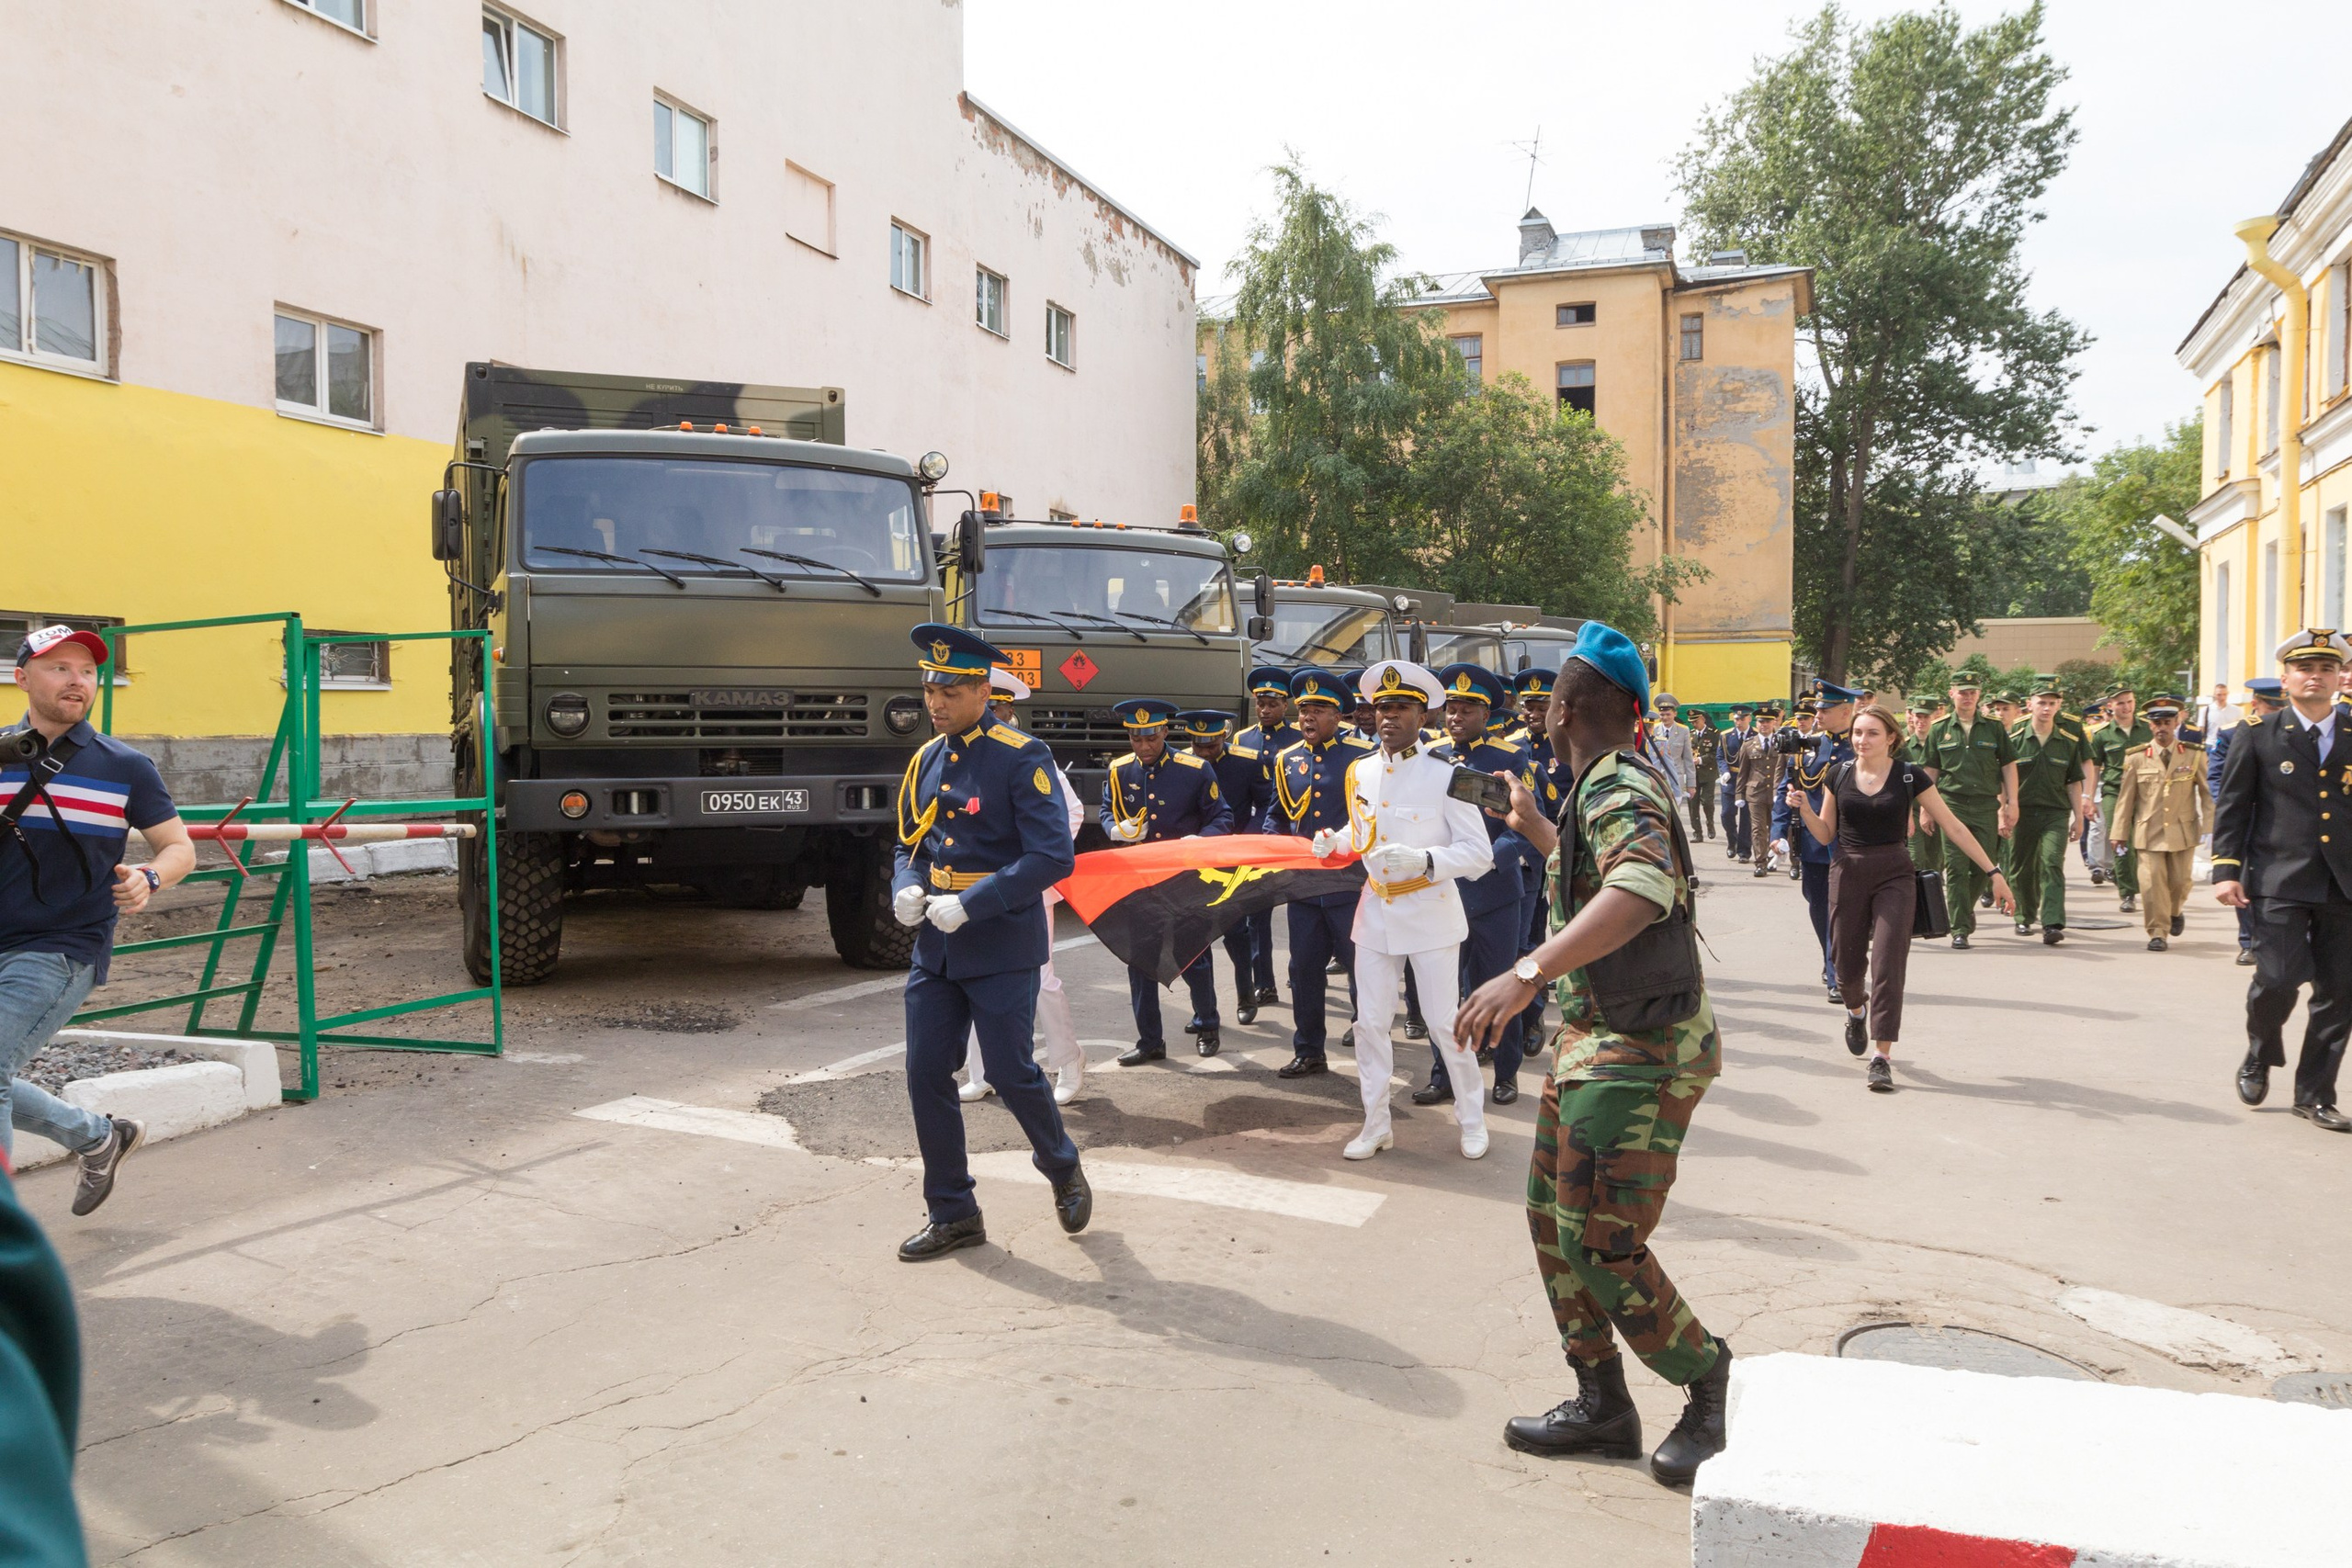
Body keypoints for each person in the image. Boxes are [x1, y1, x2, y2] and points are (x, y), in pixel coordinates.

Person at [1457, 622, 1732, 1491]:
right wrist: (1540, 827)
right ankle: (1603, 1402)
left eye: (1546, 699)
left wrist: (1525, 973)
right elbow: (1601, 872)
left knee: (1602, 1238)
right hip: (1598, 1040)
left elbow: (1641, 887)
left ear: (1564, 708)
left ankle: (1709, 1382)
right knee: (1552, 1219)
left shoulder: (1617, 783)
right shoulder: (1599, 786)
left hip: (1641, 1049)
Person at [889, 624, 1088, 1261]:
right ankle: (954, 1211)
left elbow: (1052, 856)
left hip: (1000, 942)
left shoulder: (1022, 755)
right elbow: (910, 844)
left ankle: (1061, 1163)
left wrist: (972, 903)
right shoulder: (927, 758)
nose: (936, 702)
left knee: (1009, 1070)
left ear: (982, 690)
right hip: (937, 948)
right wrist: (906, 885)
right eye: (930, 689)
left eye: (949, 691)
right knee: (926, 1072)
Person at [4, 626, 194, 1214]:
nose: (77, 681)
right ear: (22, 678)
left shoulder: (125, 766)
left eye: (87, 671)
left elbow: (179, 848)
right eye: (60, 668)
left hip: (62, 945)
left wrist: (150, 877)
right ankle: (98, 1137)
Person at [1314, 661, 1494, 1160]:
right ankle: (1375, 1124)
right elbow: (1362, 832)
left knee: (1443, 1024)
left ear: (1423, 716)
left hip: (1430, 913)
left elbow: (1480, 853)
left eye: (1400, 708)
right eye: (1382, 708)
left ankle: (1472, 1119)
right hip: (1375, 912)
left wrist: (1426, 860)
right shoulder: (1361, 770)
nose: (1388, 717)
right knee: (1370, 1024)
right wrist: (1335, 842)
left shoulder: (1451, 775)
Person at [1790, 704, 2009, 1091]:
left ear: (1891, 737)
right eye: (1858, 732)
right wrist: (1805, 810)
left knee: (1889, 963)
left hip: (1894, 874)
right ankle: (1856, 1011)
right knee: (1846, 969)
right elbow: (1825, 834)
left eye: (1872, 733)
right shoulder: (1838, 775)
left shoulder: (1910, 775)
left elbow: (1954, 826)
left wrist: (1994, 873)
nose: (1862, 740)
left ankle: (1882, 1056)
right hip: (1848, 872)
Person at [2213, 629, 2352, 1133]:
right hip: (2279, 877)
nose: (2315, 677)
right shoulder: (2257, 733)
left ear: (2339, 677)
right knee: (2277, 978)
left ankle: (2314, 1095)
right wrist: (2226, 869)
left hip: (2344, 882)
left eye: (2326, 669)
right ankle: (2260, 1051)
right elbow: (2234, 805)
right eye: (2304, 669)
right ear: (2287, 678)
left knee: (2339, 992)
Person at [1409, 664, 1536, 1109]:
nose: (1456, 717)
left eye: (1467, 709)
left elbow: (1523, 827)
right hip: (1444, 890)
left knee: (1499, 987)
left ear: (1486, 714)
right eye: (1452, 708)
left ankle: (1505, 1072)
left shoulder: (1510, 758)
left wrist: (1486, 859)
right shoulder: (1431, 755)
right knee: (1442, 992)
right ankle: (1443, 1075)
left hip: (1495, 893)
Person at [959, 668, 1086, 1107]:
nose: (990, 716)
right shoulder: (960, 752)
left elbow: (1071, 812)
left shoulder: (1030, 753)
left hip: (1026, 887)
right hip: (975, 888)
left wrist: (1036, 860)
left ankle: (1068, 1061)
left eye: (997, 709)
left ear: (1008, 711)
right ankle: (982, 1072)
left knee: (1041, 980)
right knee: (976, 976)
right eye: (986, 708)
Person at [1101, 698, 1232, 1063]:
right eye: (1136, 739)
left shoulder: (1195, 769)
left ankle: (1207, 1024)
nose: (1144, 747)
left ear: (1165, 732)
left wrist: (1200, 840)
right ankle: (1150, 1041)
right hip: (1140, 879)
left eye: (1151, 738)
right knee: (1139, 960)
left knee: (1193, 956)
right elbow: (1107, 809)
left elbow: (1222, 816)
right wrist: (1115, 830)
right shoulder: (1119, 770)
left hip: (1183, 878)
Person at [1269, 669, 1374, 1077]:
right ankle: (1309, 1049)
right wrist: (1272, 848)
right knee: (1304, 970)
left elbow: (1371, 818)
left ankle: (1369, 1048)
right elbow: (1277, 817)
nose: (1307, 718)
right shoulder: (1287, 759)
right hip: (1305, 887)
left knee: (1361, 971)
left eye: (1317, 711)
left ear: (1337, 715)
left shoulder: (1361, 757)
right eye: (1303, 711)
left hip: (1350, 884)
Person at [1190, 706, 1277, 1029]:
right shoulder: (1185, 764)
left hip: (1236, 855)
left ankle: (1246, 994)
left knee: (1236, 933)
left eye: (1212, 745)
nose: (1205, 752)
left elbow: (1267, 803)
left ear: (1223, 737)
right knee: (1196, 940)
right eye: (1198, 746)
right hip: (1196, 858)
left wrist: (1248, 838)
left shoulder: (1247, 761)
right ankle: (1204, 1011)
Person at [1773, 681, 1860, 998]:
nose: (1818, 714)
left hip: (1851, 842)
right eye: (1818, 709)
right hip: (1813, 842)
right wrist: (1777, 832)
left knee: (1843, 908)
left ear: (1846, 712)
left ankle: (1838, 974)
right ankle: (1830, 957)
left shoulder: (1861, 745)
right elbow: (1787, 789)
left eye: (1825, 709)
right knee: (1818, 904)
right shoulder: (1809, 746)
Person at [1227, 667, 1302, 1022]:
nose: (1265, 709)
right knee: (1256, 912)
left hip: (1294, 833)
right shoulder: (1242, 739)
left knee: (1301, 910)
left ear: (1285, 705)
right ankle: (1264, 982)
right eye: (1260, 703)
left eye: (1272, 703)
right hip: (1258, 834)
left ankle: (1301, 970)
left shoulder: (1299, 737)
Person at [1921, 679, 2018, 950]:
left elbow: (2009, 765)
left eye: (1972, 692)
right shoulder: (1939, 728)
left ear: (1979, 695)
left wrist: (2012, 802)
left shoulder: (1994, 728)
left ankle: (1964, 909)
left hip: (1985, 804)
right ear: (1951, 693)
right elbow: (1930, 771)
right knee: (1955, 866)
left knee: (1983, 866)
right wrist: (1926, 809)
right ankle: (1960, 928)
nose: (1968, 697)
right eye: (1962, 692)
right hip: (1951, 804)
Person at [2109, 695, 2210, 953]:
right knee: (2152, 883)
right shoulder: (2136, 757)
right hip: (2149, 831)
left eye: (2167, 722)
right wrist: (2119, 832)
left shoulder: (2193, 754)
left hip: (2182, 830)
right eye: (2157, 723)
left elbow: (2207, 794)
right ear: (2150, 726)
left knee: (2180, 882)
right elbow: (2126, 799)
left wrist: (2211, 829)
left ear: (2176, 723)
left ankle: (2174, 911)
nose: (2162, 728)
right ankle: (2157, 932)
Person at [2006, 681, 2097, 944]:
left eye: (2052, 703)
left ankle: (2052, 922)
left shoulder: (2067, 741)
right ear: (2029, 704)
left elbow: (2073, 782)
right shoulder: (2014, 738)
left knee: (2052, 863)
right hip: (2022, 812)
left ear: (2059, 706)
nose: (2046, 708)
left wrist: (2079, 818)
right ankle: (2024, 916)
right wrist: (2004, 808)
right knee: (2021, 868)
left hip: (2055, 813)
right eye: (2042, 702)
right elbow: (2004, 777)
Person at [2207, 677, 2284, 966]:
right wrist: (2234, 807)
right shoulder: (2233, 732)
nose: (2278, 713)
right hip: (2247, 817)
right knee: (2245, 878)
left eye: (2282, 707)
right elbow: (2217, 776)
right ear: (2255, 704)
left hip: (2280, 819)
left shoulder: (2294, 733)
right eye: (2272, 708)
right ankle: (2248, 941)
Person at [2087, 685, 2152, 911]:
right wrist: (2088, 798)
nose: (2126, 707)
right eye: (2121, 703)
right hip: (2115, 791)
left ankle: (2144, 883)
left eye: (2130, 701)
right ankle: (2128, 893)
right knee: (2120, 840)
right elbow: (2094, 768)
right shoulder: (2102, 734)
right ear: (2110, 706)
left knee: (2146, 841)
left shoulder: (2148, 728)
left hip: (2146, 792)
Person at [1736, 705, 1782, 879]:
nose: (1764, 724)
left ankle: (1774, 857)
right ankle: (1760, 863)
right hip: (1755, 793)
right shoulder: (1749, 745)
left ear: (1774, 722)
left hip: (1776, 793)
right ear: (1756, 723)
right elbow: (1743, 772)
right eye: (1761, 721)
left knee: (1776, 828)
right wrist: (1739, 795)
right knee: (1758, 829)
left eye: (1768, 721)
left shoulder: (1781, 742)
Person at [1649, 694, 1694, 829]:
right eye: (1662, 715)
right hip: (1657, 779)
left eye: (1668, 714)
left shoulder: (1683, 731)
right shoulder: (1653, 729)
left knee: (1674, 816)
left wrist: (1691, 784)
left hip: (1675, 779)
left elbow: (1688, 759)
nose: (1665, 718)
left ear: (1675, 714)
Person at [1718, 705, 1755, 860]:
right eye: (1736, 719)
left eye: (1742, 719)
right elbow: (1720, 756)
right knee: (1727, 814)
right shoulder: (1725, 735)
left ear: (1749, 719)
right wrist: (1724, 771)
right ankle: (1732, 840)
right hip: (1731, 779)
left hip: (1749, 780)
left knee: (1747, 817)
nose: (1738, 722)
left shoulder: (1756, 735)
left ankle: (1744, 851)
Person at [1689, 710, 1721, 843]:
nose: (1694, 724)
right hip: (1693, 774)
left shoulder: (1714, 734)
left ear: (1702, 719)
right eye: (1692, 722)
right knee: (1693, 804)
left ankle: (1710, 823)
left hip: (1708, 773)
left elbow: (1716, 754)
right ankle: (1697, 832)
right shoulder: (1690, 734)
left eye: (1696, 721)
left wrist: (1701, 760)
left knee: (1707, 801)